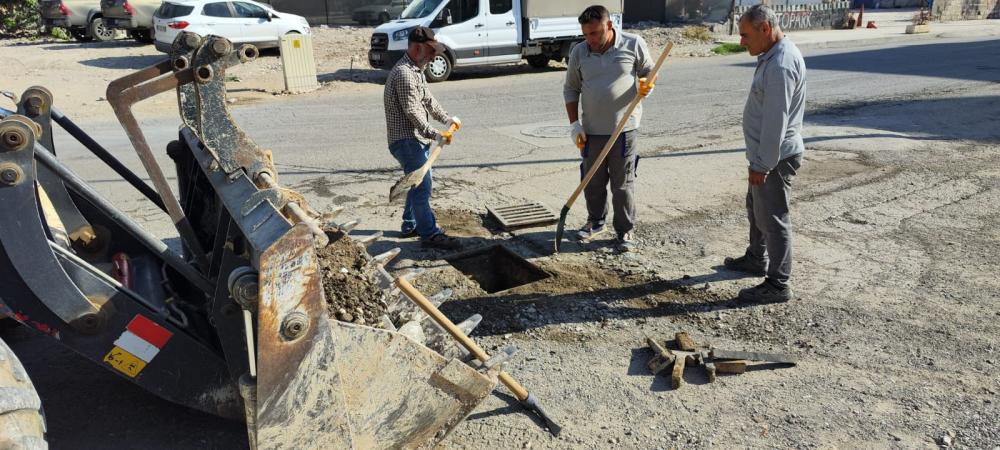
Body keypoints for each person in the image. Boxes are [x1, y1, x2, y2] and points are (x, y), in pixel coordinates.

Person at [724, 4, 807, 303]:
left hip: (774, 157)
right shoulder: (771, 55)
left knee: (773, 218)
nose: (741, 42)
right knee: (755, 208)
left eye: (745, 35)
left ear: (765, 29)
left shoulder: (780, 65)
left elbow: (776, 121)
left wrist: (762, 164)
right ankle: (756, 258)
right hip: (765, 155)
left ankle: (778, 284)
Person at [563, 5, 654, 252]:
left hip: (624, 130)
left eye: (595, 33)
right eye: (586, 34)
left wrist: (647, 84)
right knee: (592, 181)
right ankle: (595, 222)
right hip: (591, 131)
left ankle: (624, 231)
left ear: (610, 26)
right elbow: (571, 88)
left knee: (622, 184)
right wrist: (574, 125)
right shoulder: (579, 52)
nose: (590, 40)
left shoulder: (633, 44)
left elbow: (649, 72)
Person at [383, 26, 462, 250]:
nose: (433, 56)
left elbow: (427, 100)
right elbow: (413, 112)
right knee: (422, 186)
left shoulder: (415, 69)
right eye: (429, 51)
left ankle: (410, 224)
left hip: (414, 139)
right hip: (406, 141)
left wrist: (447, 119)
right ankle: (430, 234)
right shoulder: (404, 74)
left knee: (415, 180)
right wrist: (435, 133)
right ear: (417, 48)